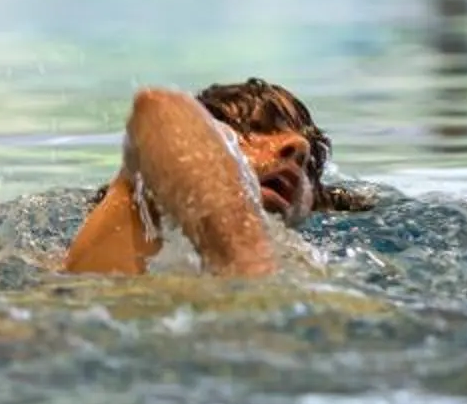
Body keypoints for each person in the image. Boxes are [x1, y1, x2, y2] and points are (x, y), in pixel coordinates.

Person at [61, 78, 374, 279]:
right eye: (254, 129)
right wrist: (253, 280)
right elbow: (159, 107)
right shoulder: (139, 205)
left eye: (310, 169)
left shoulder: (315, 266)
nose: (298, 147)